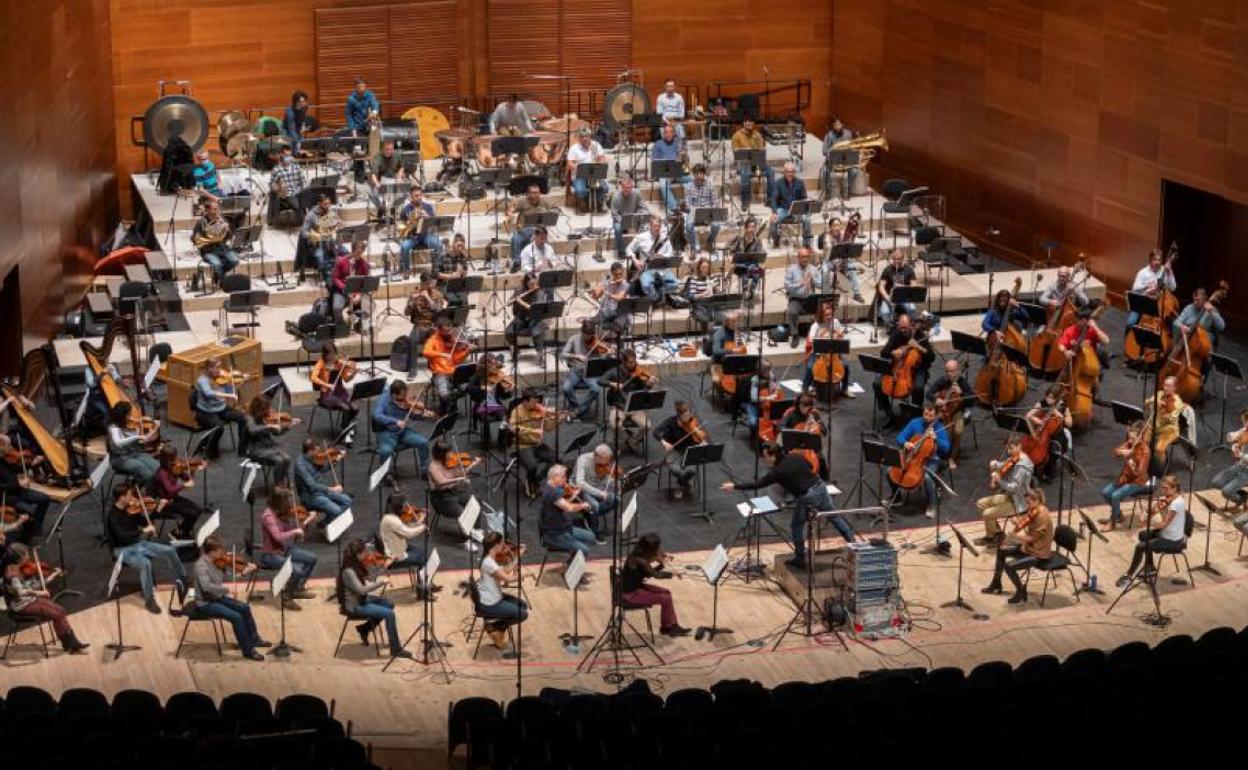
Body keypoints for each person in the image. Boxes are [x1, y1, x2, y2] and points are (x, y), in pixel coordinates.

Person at [722, 443, 855, 568]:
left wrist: (734, 486)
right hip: (820, 487)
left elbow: (758, 484)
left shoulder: (778, 472)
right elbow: (810, 465)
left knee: (796, 525)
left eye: (766, 456)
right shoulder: (795, 455)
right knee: (834, 517)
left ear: (773, 455)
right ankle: (854, 545)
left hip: (807, 496)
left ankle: (800, 558)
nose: (764, 459)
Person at [108, 483, 187, 614]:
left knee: (170, 550)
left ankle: (182, 578)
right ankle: (149, 599)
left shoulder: (131, 509)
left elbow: (145, 522)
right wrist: (143, 531)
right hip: (121, 549)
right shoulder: (112, 516)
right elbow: (122, 536)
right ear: (121, 498)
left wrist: (155, 511)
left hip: (137, 543)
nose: (133, 497)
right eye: (129, 495)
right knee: (145, 563)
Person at [193, 537, 268, 661]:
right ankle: (248, 650)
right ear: (211, 551)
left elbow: (229, 576)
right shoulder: (201, 566)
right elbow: (206, 587)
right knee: (236, 617)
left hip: (217, 597)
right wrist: (227, 590)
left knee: (244, 607)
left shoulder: (217, 562)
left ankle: (255, 639)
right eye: (219, 551)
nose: (222, 553)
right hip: (206, 603)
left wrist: (245, 571)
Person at [3, 544, 88, 653]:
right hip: (22, 605)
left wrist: (53, 576)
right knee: (57, 614)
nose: (29, 557)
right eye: (26, 555)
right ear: (19, 559)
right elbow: (21, 593)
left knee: (61, 610)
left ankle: (70, 642)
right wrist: (39, 593)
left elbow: (30, 585)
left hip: (30, 600)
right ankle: (70, 643)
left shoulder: (15, 568)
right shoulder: (13, 575)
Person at [339, 539, 413, 659]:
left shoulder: (355, 564)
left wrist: (384, 566)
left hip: (361, 599)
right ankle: (395, 649)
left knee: (389, 605)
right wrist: (382, 582)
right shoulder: (349, 572)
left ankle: (365, 629)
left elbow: (370, 578)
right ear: (357, 554)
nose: (366, 555)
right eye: (363, 552)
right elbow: (362, 590)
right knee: (390, 614)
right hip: (355, 605)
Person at [981, 487, 1053, 605]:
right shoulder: (1034, 510)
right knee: (1001, 550)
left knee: (1009, 567)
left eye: (1028, 502)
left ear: (1037, 501)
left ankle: (1020, 591)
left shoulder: (1042, 517)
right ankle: (996, 583)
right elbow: (1027, 524)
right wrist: (1017, 522)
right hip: (1029, 547)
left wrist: (1015, 537)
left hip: (1039, 554)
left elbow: (1031, 538)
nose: (1027, 506)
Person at [1115, 475, 1188, 588]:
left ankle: (1128, 576)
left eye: (1166, 488)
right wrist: (1146, 514)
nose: (1163, 491)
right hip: (1165, 533)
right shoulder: (1167, 499)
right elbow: (1153, 511)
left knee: (1140, 547)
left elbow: (1163, 524)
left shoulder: (1177, 503)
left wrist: (1150, 522)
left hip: (1172, 540)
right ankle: (1150, 567)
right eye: (1162, 488)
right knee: (1143, 535)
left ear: (1174, 489)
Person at [258, 487, 317, 609]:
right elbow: (278, 536)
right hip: (271, 554)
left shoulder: (281, 512)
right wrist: (295, 531)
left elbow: (288, 530)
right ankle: (287, 596)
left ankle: (297, 588)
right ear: (279, 501)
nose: (289, 504)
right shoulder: (268, 516)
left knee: (312, 558)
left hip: (284, 549)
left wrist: (304, 522)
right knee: (297, 570)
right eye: (287, 500)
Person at [622, 532, 690, 636]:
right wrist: (673, 573)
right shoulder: (640, 560)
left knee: (666, 593)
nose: (658, 551)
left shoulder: (638, 552)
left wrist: (662, 561)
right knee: (665, 598)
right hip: (630, 595)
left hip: (636, 587)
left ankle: (668, 627)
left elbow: (648, 573)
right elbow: (656, 575)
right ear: (650, 550)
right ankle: (668, 627)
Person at [891, 402, 951, 518]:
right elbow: (900, 437)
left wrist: (936, 439)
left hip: (932, 459)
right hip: (913, 457)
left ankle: (931, 505)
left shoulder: (939, 428)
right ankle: (896, 497)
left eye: (930, 416)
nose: (927, 418)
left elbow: (947, 448)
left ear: (935, 417)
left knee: (927, 477)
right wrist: (906, 443)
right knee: (890, 470)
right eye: (925, 414)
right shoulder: (915, 422)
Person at [874, 313, 935, 425]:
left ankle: (916, 418)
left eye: (905, 328)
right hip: (898, 367)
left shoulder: (920, 335)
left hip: (917, 369)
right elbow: (883, 352)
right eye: (900, 327)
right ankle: (889, 414)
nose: (902, 330)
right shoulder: (897, 334)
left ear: (911, 326)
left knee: (918, 388)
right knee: (877, 384)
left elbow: (932, 357)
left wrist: (919, 347)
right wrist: (893, 352)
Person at [973, 437, 1035, 546]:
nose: (1008, 451)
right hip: (1009, 496)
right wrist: (996, 464)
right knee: (980, 503)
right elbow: (1007, 463)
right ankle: (997, 534)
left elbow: (1013, 487)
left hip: (1018, 502)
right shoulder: (1016, 457)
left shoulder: (1022, 466)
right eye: (1007, 449)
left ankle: (991, 537)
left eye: (1011, 448)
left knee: (987, 513)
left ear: (1019, 446)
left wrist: (999, 480)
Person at [476, 531, 529, 651]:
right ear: (496, 545)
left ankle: (496, 627)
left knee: (523, 605)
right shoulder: (488, 563)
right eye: (502, 543)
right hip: (489, 603)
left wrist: (517, 557)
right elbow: (508, 579)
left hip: (494, 596)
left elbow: (505, 570)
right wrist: (524, 575)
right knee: (523, 614)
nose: (504, 546)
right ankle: (495, 626)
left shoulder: (489, 558)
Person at [598, 349, 655, 455]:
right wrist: (612, 384)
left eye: (634, 361)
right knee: (615, 425)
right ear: (623, 362)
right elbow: (600, 380)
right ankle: (628, 438)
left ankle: (634, 441)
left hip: (634, 407)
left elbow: (644, 390)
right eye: (630, 362)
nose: (634, 364)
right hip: (619, 406)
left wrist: (649, 384)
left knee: (647, 425)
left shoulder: (638, 373)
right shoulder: (615, 372)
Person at [373, 380, 432, 477]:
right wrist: (395, 421)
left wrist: (423, 414)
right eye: (402, 396)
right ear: (394, 395)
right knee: (386, 451)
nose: (406, 398)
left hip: (403, 432)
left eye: (406, 394)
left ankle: (424, 471)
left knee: (423, 442)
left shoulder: (406, 401)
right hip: (387, 433)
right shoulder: (384, 400)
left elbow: (412, 415)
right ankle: (385, 474)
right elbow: (377, 415)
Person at [1100, 421, 1152, 530]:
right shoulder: (1129, 444)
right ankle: (1118, 515)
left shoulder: (1145, 451)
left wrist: (1131, 457)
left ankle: (1112, 522)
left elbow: (1139, 472)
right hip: (1125, 478)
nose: (1130, 440)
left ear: (1140, 438)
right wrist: (1123, 452)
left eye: (1133, 438)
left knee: (1115, 496)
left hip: (1138, 482)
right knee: (1105, 493)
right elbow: (1115, 451)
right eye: (1129, 437)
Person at [193, 358, 248, 459]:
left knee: (243, 418)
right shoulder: (202, 380)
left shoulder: (220, 377)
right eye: (217, 367)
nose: (220, 370)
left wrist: (238, 383)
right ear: (210, 368)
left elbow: (229, 389)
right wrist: (229, 396)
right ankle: (210, 450)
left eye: (220, 367)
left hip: (221, 408)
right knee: (219, 428)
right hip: (206, 412)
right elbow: (209, 393)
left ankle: (242, 449)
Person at [538, 464, 600, 555]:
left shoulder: (551, 487)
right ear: (555, 477)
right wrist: (582, 505)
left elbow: (562, 503)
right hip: (555, 534)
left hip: (565, 528)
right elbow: (569, 508)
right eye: (563, 476)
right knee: (584, 550)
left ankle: (574, 555)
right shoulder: (552, 492)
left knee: (591, 537)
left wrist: (574, 495)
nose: (565, 479)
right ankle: (571, 564)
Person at [509, 389, 560, 496]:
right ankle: (532, 482)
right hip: (522, 445)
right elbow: (513, 428)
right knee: (532, 466)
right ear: (525, 401)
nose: (536, 405)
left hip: (537, 444)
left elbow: (547, 428)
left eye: (536, 402)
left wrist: (558, 420)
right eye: (533, 402)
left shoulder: (539, 410)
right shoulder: (516, 412)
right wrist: (532, 431)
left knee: (556, 459)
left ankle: (534, 480)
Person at [0, 435, 51, 544]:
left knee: (45, 499)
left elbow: (15, 467)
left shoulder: (4, 457)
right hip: (7, 496)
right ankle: (25, 538)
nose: (10, 448)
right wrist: (18, 483)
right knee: (30, 512)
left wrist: (31, 464)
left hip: (18, 489)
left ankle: (37, 526)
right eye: (8, 446)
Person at [151, 445, 206, 540]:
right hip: (165, 503)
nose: (176, 460)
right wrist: (184, 485)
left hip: (174, 498)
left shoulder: (174, 467)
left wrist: (194, 470)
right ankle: (181, 533)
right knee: (192, 513)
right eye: (174, 458)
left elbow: (186, 478)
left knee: (198, 509)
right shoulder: (162, 473)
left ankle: (179, 531)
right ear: (167, 459)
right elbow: (170, 489)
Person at [924, 359, 972, 467]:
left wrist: (962, 393)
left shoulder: (962, 382)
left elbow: (972, 401)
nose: (949, 374)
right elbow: (928, 393)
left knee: (958, 431)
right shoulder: (942, 380)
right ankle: (937, 452)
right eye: (947, 371)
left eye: (952, 371)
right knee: (944, 431)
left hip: (957, 411)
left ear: (957, 371)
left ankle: (952, 456)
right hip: (942, 411)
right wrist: (937, 400)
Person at [293, 439, 353, 525]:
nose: (318, 453)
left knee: (347, 501)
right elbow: (312, 485)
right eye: (316, 451)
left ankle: (326, 522)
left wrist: (335, 460)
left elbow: (323, 468)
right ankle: (326, 523)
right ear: (310, 451)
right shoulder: (300, 466)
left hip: (322, 490)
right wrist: (332, 489)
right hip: (309, 496)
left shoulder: (313, 458)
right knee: (336, 510)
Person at [653, 401, 704, 499]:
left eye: (690, 414)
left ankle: (681, 482)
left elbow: (699, 438)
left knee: (692, 470)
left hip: (687, 450)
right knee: (677, 470)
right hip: (673, 450)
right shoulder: (671, 422)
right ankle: (684, 483)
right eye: (686, 415)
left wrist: (699, 437)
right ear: (679, 415)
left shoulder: (692, 423)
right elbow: (656, 431)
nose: (689, 417)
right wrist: (664, 443)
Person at [309, 343, 359, 444]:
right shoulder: (321, 363)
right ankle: (346, 432)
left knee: (355, 407)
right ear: (325, 354)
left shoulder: (339, 364)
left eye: (334, 353)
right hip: (328, 394)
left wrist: (353, 374)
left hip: (340, 392)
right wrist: (327, 385)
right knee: (345, 407)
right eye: (331, 354)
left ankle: (347, 426)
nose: (333, 356)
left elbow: (346, 380)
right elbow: (313, 377)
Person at [427, 442, 479, 538]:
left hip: (454, 492)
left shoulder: (449, 462)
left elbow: (460, 473)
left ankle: (476, 531)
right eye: (449, 452)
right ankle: (466, 539)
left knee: (475, 503)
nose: (452, 454)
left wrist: (473, 464)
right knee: (462, 513)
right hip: (441, 498)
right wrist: (460, 479)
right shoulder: (433, 467)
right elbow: (441, 482)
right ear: (441, 454)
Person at [423, 318, 476, 410]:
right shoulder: (433, 340)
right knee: (444, 394)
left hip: (453, 372)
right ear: (439, 330)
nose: (450, 333)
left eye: (451, 330)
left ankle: (448, 405)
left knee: (466, 389)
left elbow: (456, 360)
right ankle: (447, 409)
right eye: (446, 331)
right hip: (440, 373)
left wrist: (466, 351)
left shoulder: (452, 340)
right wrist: (441, 354)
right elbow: (425, 352)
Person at [1172, 287, 1226, 374]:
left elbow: (1222, 327)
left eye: (1198, 300)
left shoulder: (1212, 310)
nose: (1195, 302)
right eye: (1194, 299)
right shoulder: (1189, 308)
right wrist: (1182, 326)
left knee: (1207, 362)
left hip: (1203, 345)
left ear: (1205, 299)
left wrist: (1212, 311)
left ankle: (1201, 380)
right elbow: (1176, 322)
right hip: (1188, 342)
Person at [561, 320, 607, 421]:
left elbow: (602, 358)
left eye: (591, 335)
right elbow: (563, 354)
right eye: (586, 335)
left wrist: (605, 353)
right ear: (582, 331)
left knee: (596, 389)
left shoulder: (596, 341)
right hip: (575, 370)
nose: (588, 338)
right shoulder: (574, 339)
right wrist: (576, 355)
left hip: (590, 372)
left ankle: (578, 411)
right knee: (566, 388)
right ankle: (577, 407)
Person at [244, 394, 296, 485]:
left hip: (269, 446)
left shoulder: (266, 418)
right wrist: (268, 426)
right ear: (258, 409)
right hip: (256, 449)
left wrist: (288, 426)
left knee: (287, 458)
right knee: (279, 460)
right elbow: (252, 430)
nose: (268, 411)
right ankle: (277, 485)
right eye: (264, 409)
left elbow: (277, 433)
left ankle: (281, 480)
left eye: (267, 408)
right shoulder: (249, 418)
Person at [627, 214, 678, 303]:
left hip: (663, 269)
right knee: (647, 285)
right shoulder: (641, 237)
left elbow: (670, 253)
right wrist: (635, 260)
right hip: (647, 269)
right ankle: (657, 298)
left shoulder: (665, 238)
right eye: (655, 226)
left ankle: (660, 294)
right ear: (650, 226)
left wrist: (661, 256)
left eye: (659, 226)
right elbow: (628, 249)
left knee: (675, 285)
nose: (657, 228)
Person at [107, 402, 160, 483]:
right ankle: (146, 491)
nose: (131, 417)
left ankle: (158, 489)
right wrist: (155, 428)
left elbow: (142, 441)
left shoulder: (126, 425)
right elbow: (119, 443)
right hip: (120, 459)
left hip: (135, 453)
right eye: (128, 415)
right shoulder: (113, 428)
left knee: (157, 467)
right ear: (122, 416)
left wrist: (140, 425)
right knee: (144, 471)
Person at [573, 444, 617, 540]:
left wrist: (611, 480)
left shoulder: (603, 463)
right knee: (595, 505)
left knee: (616, 500)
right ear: (596, 456)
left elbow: (604, 478)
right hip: (582, 489)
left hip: (596, 485)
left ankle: (589, 515)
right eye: (603, 462)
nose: (606, 465)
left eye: (607, 462)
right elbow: (580, 483)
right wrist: (599, 493)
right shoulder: (583, 460)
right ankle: (595, 531)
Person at [1126, 247, 1177, 331]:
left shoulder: (1165, 271)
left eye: (1159, 260)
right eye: (1154, 259)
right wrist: (1146, 286)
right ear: (1150, 260)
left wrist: (1169, 272)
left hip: (1158, 303)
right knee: (1131, 322)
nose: (1157, 262)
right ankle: (1127, 339)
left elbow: (1173, 288)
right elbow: (1134, 288)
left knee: (1169, 325)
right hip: (1143, 302)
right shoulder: (1142, 272)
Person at [508, 183, 555, 270]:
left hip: (538, 230)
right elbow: (512, 210)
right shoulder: (522, 201)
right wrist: (510, 213)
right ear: (528, 194)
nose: (536, 195)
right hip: (524, 230)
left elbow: (551, 213)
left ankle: (544, 262)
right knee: (515, 239)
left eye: (537, 192)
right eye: (533, 193)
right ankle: (516, 262)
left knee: (540, 239)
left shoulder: (544, 202)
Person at [378, 493, 429, 571]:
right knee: (421, 558)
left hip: (399, 547)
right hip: (394, 556)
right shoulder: (392, 520)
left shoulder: (390, 516)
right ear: (398, 507)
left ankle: (422, 577)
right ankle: (424, 580)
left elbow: (405, 527)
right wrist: (423, 527)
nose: (405, 507)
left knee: (422, 552)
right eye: (403, 505)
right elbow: (408, 533)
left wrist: (419, 522)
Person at [192, 199, 239, 283]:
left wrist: (227, 230)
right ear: (208, 210)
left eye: (217, 209)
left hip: (222, 248)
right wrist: (206, 238)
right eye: (214, 209)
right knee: (217, 264)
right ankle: (223, 282)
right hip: (208, 250)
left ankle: (218, 274)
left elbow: (229, 237)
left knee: (235, 260)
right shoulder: (201, 222)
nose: (217, 211)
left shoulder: (221, 219)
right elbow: (194, 238)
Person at [731, 117, 773, 208]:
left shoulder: (757, 135)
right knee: (745, 173)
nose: (750, 126)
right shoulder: (736, 136)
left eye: (752, 124)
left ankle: (770, 199)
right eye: (748, 124)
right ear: (744, 123)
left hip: (756, 165)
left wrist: (758, 150)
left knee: (771, 171)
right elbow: (736, 153)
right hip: (743, 164)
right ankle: (745, 201)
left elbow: (761, 150)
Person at [398, 186, 442, 275]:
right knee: (404, 247)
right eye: (416, 196)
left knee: (439, 245)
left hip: (426, 235)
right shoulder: (405, 209)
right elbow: (401, 226)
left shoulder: (427, 207)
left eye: (420, 195)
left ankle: (436, 269)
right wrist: (410, 222)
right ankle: (405, 269)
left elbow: (434, 223)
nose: (419, 198)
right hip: (412, 236)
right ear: (411, 197)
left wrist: (427, 217)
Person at [784, 247, 822, 347]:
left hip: (810, 298)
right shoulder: (791, 269)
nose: (805, 259)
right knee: (792, 311)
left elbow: (821, 284)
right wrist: (801, 284)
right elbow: (787, 287)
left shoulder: (813, 269)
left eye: (807, 257)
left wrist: (814, 280)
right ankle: (795, 334)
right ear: (798, 257)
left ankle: (818, 332)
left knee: (823, 307)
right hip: (796, 299)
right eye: (803, 257)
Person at [1143, 375, 1186, 464]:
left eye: (1169, 386)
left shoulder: (1178, 402)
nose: (1165, 388)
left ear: (1174, 388)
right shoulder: (1159, 394)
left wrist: (1163, 409)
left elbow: (1170, 420)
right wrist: (1153, 401)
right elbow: (1145, 403)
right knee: (1143, 442)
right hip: (1154, 426)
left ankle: (1160, 467)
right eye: (1165, 385)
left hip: (1169, 430)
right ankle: (1145, 464)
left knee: (1159, 448)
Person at [506, 273, 550, 357]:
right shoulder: (520, 289)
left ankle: (540, 355)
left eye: (535, 283)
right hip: (521, 317)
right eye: (531, 284)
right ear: (526, 284)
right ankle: (516, 351)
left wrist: (521, 302)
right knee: (509, 332)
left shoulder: (539, 291)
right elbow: (509, 303)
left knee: (537, 332)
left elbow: (535, 309)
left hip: (535, 318)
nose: (533, 286)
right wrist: (514, 299)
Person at [769, 162, 812, 247]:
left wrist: (803, 207)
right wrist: (774, 212)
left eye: (791, 171)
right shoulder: (778, 183)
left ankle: (807, 242)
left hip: (796, 210)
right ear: (784, 172)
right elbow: (773, 199)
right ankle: (776, 239)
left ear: (794, 172)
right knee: (773, 220)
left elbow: (804, 197)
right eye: (787, 172)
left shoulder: (800, 182)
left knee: (807, 219)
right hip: (783, 209)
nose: (789, 174)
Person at [300, 194, 340, 284]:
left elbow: (336, 225)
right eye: (325, 204)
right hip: (317, 244)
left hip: (331, 241)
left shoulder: (331, 212)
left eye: (329, 203)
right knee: (321, 260)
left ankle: (340, 276)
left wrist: (338, 225)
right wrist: (314, 236)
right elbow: (303, 232)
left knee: (345, 254)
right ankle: (327, 279)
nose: (328, 206)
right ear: (319, 204)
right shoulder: (311, 215)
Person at [652, 123, 691, 213]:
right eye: (666, 132)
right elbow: (654, 161)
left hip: (678, 171)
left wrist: (684, 156)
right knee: (663, 185)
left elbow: (686, 163)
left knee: (692, 180)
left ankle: (687, 203)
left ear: (674, 133)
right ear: (663, 134)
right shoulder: (658, 144)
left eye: (670, 132)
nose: (668, 134)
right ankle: (674, 207)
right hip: (665, 173)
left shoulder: (679, 142)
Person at [683, 164, 721, 254]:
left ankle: (710, 241)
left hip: (708, 212)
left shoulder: (710, 184)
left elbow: (715, 202)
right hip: (694, 212)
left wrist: (709, 212)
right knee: (688, 225)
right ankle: (695, 245)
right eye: (696, 173)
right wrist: (694, 210)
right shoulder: (688, 186)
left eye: (701, 173)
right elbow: (687, 204)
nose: (699, 176)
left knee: (717, 225)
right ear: (693, 175)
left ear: (704, 174)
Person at [567, 128, 609, 209]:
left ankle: (598, 200)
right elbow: (569, 164)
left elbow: (602, 158)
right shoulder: (574, 148)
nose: (584, 138)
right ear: (579, 138)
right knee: (580, 191)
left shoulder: (596, 145)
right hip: (579, 175)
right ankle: (585, 200)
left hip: (594, 174)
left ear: (590, 137)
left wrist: (599, 163)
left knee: (605, 188)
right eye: (582, 136)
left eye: (586, 136)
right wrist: (578, 167)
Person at [726, 216, 766, 299]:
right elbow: (728, 246)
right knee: (745, 271)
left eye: (753, 227)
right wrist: (730, 255)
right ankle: (745, 291)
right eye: (750, 227)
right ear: (745, 228)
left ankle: (751, 291)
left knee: (755, 271)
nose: (752, 229)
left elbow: (761, 254)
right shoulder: (739, 238)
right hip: (740, 265)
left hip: (752, 265)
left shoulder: (757, 241)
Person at [609, 174, 648, 258]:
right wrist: (624, 223)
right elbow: (614, 214)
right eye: (626, 187)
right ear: (622, 187)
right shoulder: (615, 196)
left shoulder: (637, 193)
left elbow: (643, 208)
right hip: (620, 219)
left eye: (630, 187)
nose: (628, 190)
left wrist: (638, 216)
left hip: (633, 218)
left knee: (645, 226)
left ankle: (640, 250)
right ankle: (621, 252)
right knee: (617, 228)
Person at [404, 272, 445, 352]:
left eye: (431, 284)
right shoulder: (414, 294)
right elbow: (406, 313)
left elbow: (438, 311)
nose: (430, 286)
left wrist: (428, 298)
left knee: (439, 342)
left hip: (433, 326)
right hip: (419, 326)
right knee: (409, 344)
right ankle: (412, 363)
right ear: (421, 283)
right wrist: (411, 302)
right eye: (427, 284)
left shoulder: (438, 294)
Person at [876, 249, 916, 327]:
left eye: (898, 259)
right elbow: (881, 286)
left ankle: (909, 326)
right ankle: (891, 326)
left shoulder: (909, 269)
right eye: (893, 259)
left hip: (904, 297)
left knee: (912, 309)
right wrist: (887, 297)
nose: (895, 261)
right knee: (885, 313)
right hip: (890, 296)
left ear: (902, 259)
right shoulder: (887, 269)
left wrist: (903, 286)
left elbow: (914, 286)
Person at [590, 261, 632, 338]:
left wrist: (607, 293)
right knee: (591, 323)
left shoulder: (626, 284)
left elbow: (619, 298)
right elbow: (597, 296)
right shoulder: (608, 282)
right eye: (616, 275)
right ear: (612, 273)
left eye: (620, 274)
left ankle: (619, 346)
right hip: (607, 311)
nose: (619, 276)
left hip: (620, 312)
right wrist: (595, 293)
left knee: (618, 326)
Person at [821, 117, 857, 197]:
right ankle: (828, 191)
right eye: (835, 125)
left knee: (854, 171)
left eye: (839, 124)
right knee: (825, 172)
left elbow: (852, 146)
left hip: (845, 162)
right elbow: (824, 150)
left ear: (842, 124)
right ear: (833, 126)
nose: (837, 127)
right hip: (833, 162)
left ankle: (846, 188)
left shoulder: (848, 134)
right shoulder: (829, 135)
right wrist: (832, 152)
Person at [269, 145, 307, 219]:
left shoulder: (296, 166)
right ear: (281, 155)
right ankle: (304, 224)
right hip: (287, 194)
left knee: (309, 200)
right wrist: (277, 188)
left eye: (290, 155)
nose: (289, 158)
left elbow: (303, 180)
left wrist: (304, 189)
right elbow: (271, 184)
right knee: (297, 206)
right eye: (286, 155)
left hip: (299, 191)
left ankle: (308, 221)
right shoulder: (277, 169)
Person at [435, 234, 471, 307]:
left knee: (463, 296)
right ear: (453, 244)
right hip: (444, 285)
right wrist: (450, 276)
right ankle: (454, 312)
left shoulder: (463, 257)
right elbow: (435, 274)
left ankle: (460, 314)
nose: (460, 249)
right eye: (458, 246)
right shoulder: (443, 256)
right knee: (456, 298)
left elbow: (464, 276)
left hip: (457, 285)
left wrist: (463, 272)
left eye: (462, 246)